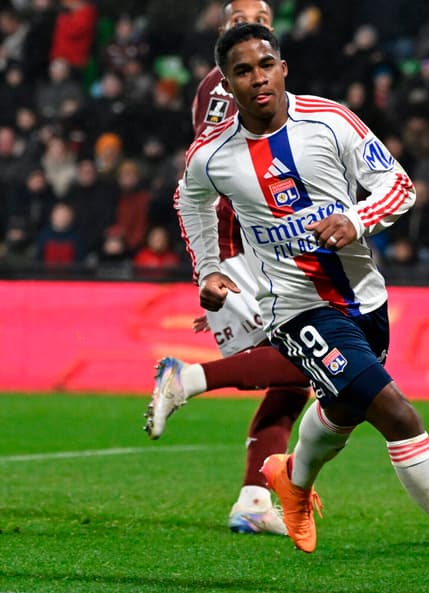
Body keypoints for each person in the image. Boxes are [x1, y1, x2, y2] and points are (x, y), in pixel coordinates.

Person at [176, 23, 429, 592]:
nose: (258, 78)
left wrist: (356, 219)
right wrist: (210, 269)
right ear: (227, 82)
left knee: (342, 411)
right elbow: (191, 203)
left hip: (364, 298)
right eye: (244, 70)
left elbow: (399, 186)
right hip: (295, 310)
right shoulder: (213, 155)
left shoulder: (330, 120)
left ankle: (292, 480)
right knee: (396, 414)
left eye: (266, 64)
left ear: (283, 68)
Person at [145, 0, 311, 538]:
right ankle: (187, 380)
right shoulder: (228, 87)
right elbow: (215, 173)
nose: (255, 21)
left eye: (262, 14)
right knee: (314, 360)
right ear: (223, 29)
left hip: (264, 242)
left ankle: (253, 498)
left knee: (299, 376)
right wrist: (225, 269)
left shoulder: (253, 77)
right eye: (244, 15)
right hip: (256, 244)